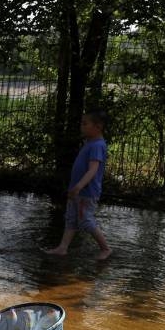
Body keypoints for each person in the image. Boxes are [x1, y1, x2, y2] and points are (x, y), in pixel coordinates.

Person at [44, 110, 112, 260]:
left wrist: (79, 186)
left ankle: (105, 248)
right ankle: (63, 247)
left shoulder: (97, 145)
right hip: (77, 190)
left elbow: (93, 170)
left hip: (86, 192)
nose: (81, 126)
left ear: (98, 126)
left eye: (85, 123)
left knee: (86, 220)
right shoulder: (90, 143)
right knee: (71, 219)